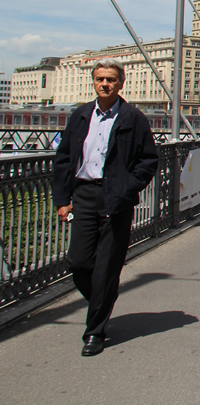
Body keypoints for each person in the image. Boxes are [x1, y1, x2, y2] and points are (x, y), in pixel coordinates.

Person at [52, 58, 159, 357]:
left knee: (107, 268)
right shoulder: (81, 115)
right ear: (94, 81)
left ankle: (94, 332)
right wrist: (62, 200)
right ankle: (102, 300)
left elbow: (148, 160)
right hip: (84, 195)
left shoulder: (132, 117)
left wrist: (128, 188)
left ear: (121, 83)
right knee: (78, 262)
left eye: (111, 79)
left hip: (116, 199)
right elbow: (63, 159)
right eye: (100, 79)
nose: (105, 84)